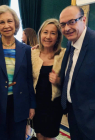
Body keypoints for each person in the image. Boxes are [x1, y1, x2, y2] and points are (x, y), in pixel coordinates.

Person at [0, 5, 36, 140]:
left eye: (9, 21)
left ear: (15, 23)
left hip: (20, 104)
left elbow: (29, 79)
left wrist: (32, 105)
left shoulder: (26, 50)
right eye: (2, 22)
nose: (6, 25)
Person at [60, 6, 95, 140]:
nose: (67, 28)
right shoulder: (71, 42)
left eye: (72, 21)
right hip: (73, 113)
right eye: (63, 24)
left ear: (84, 20)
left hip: (91, 119)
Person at [31, 18, 65, 140]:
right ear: (40, 34)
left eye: (53, 33)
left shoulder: (64, 54)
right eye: (45, 32)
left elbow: (73, 81)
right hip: (36, 103)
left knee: (50, 136)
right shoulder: (32, 53)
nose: (48, 36)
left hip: (54, 105)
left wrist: (58, 80)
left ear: (58, 36)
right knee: (39, 134)